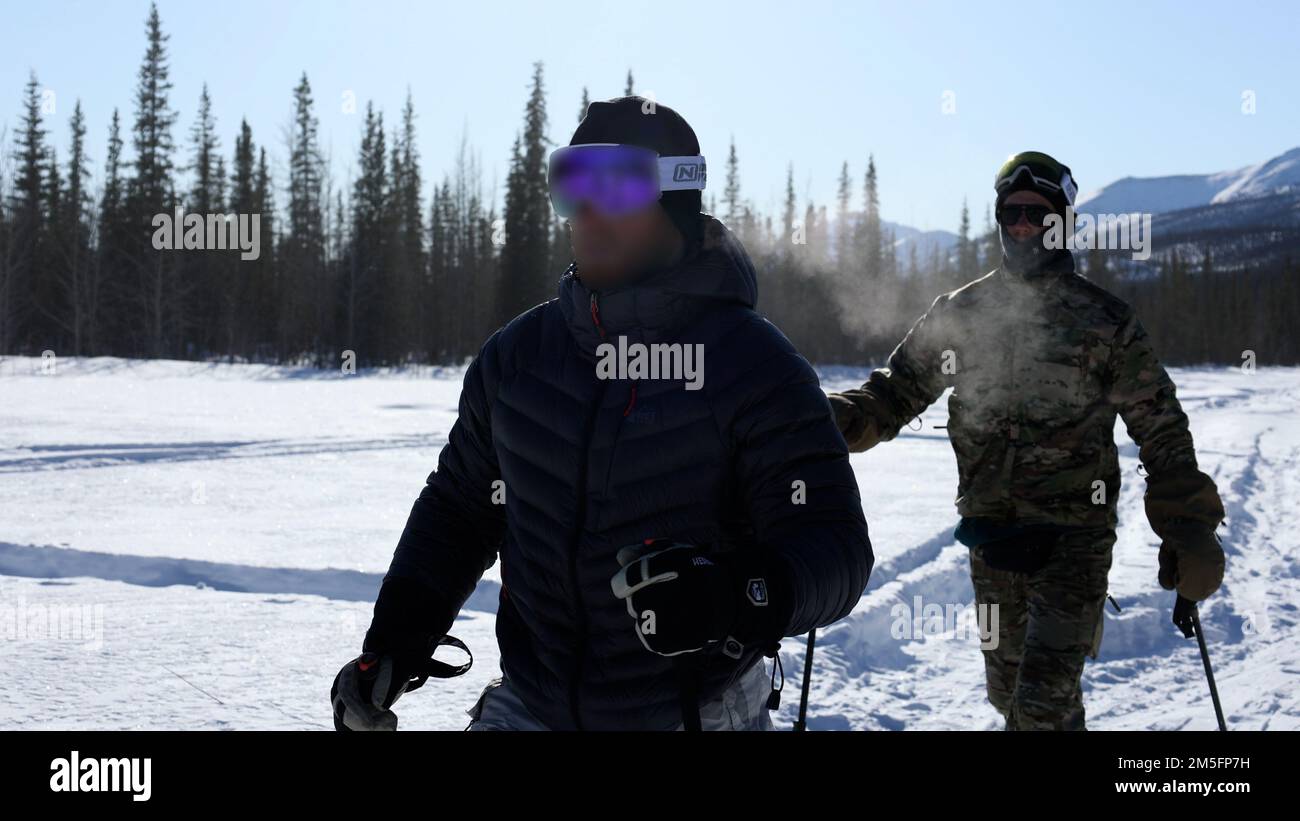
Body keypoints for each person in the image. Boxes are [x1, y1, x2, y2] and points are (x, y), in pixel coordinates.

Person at [331, 97, 873, 731]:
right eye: (572, 185)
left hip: (694, 711)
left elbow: (835, 547)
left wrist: (737, 593)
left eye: (615, 187)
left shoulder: (753, 366)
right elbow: (460, 512)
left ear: (676, 200)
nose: (588, 211)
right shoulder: (517, 361)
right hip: (533, 703)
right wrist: (395, 643)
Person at [827, 151, 1225, 730]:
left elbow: (1160, 428)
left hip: (1075, 540)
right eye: (1011, 212)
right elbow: (896, 392)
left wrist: (1188, 531)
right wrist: (836, 421)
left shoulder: (1104, 322)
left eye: (1036, 214)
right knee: (1011, 695)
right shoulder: (961, 313)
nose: (1021, 225)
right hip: (991, 537)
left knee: (1040, 702)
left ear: (1062, 222)